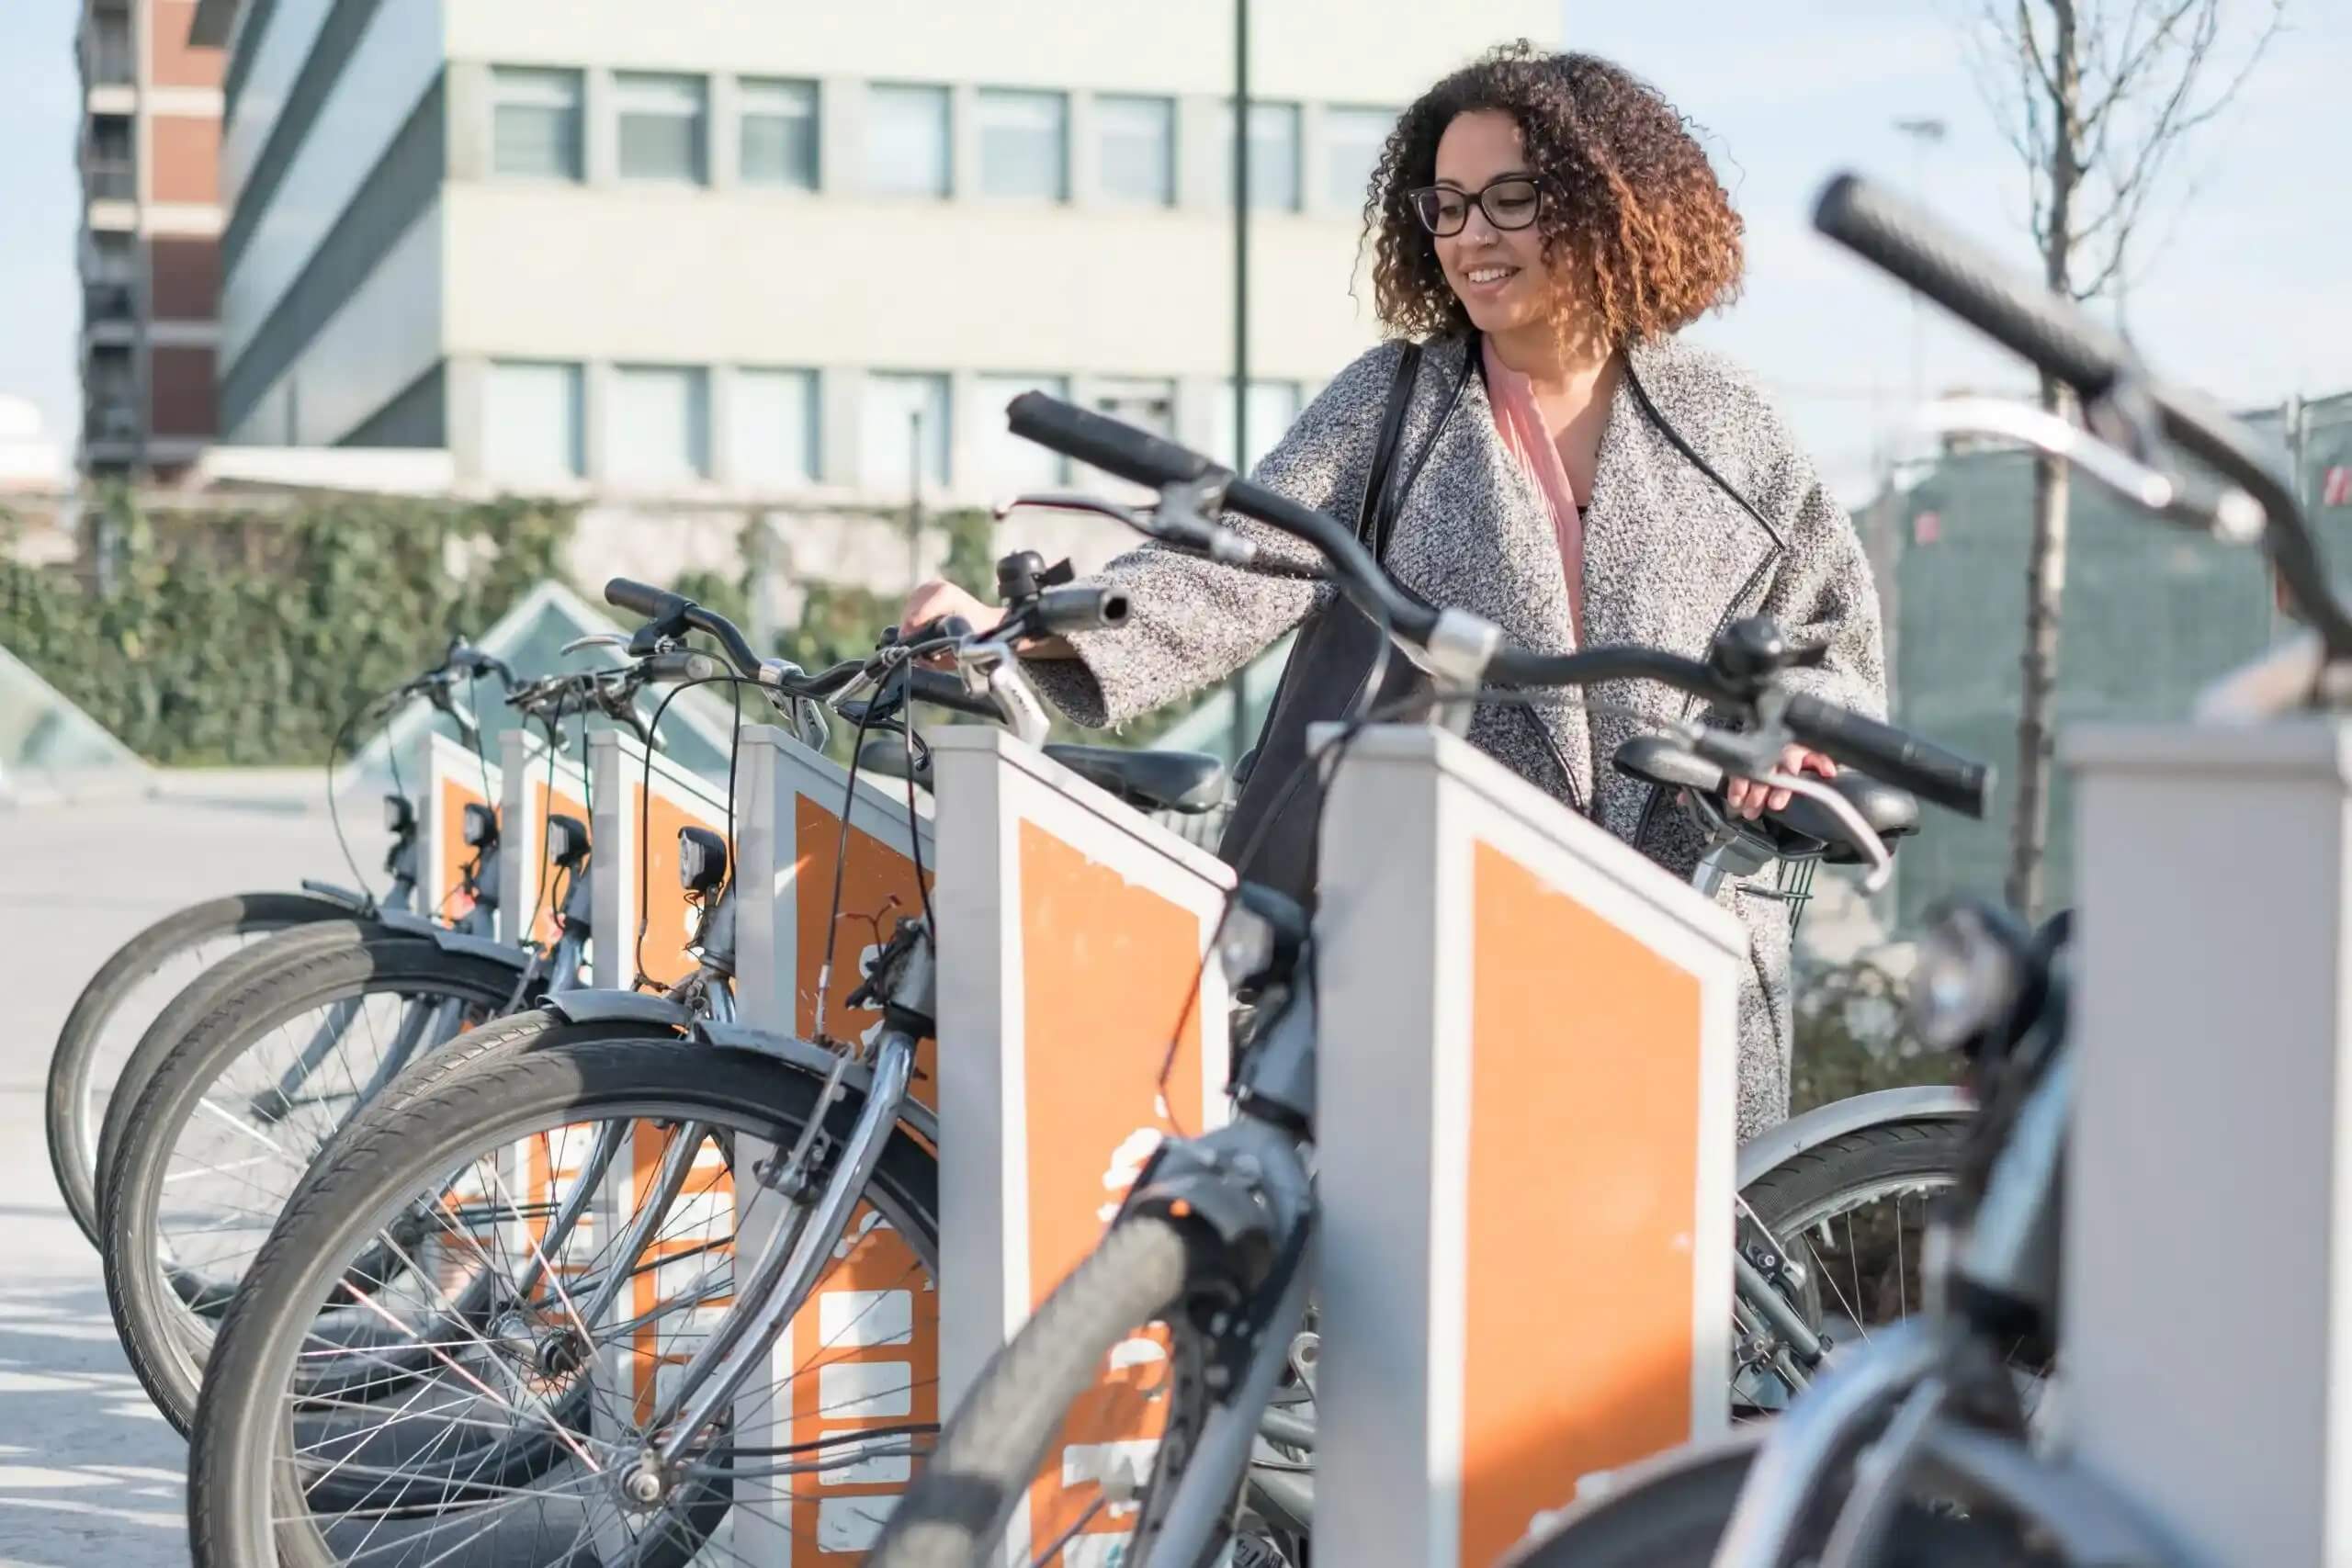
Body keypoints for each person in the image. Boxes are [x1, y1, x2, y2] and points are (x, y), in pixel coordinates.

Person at [901, 43, 1885, 1137]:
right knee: (1439, 1266)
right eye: (1447, 205)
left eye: (1509, 198)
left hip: (1684, 916)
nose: (1470, 236)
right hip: (1454, 919)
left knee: (1687, 1283)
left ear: (1609, 206)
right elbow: (1233, 557)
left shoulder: (1729, 426)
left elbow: (1829, 630)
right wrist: (1025, 634)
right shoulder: (1397, 404)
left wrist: (1804, 736)